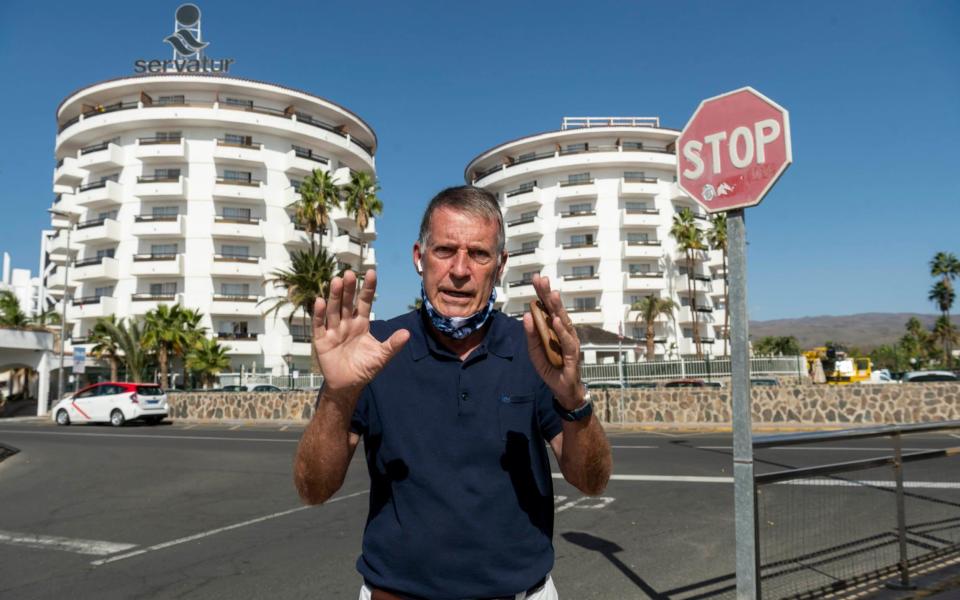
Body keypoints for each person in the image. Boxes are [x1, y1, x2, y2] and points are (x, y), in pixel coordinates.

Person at [294, 185, 612, 600]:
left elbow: (591, 482)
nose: (460, 270)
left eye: (478, 254)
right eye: (445, 250)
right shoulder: (372, 349)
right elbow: (313, 489)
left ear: (500, 266)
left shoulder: (532, 349)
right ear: (418, 257)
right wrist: (339, 395)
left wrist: (574, 401)